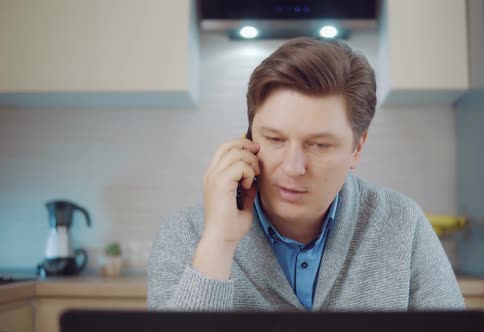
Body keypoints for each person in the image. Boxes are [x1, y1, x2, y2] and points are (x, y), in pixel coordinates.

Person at [147, 37, 464, 312]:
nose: (293, 168)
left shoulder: (402, 224)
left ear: (357, 147)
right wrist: (218, 241)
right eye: (274, 140)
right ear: (248, 138)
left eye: (320, 145)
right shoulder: (186, 234)